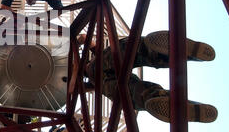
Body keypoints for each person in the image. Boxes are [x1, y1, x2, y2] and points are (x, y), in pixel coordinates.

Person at [85, 31, 218, 123]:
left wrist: (78, 41)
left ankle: (162, 53)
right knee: (126, 85)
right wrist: (75, 72)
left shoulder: (94, 58)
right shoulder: (90, 80)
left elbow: (84, 38)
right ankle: (165, 54)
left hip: (102, 71)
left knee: (125, 83)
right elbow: (74, 89)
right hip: (102, 79)